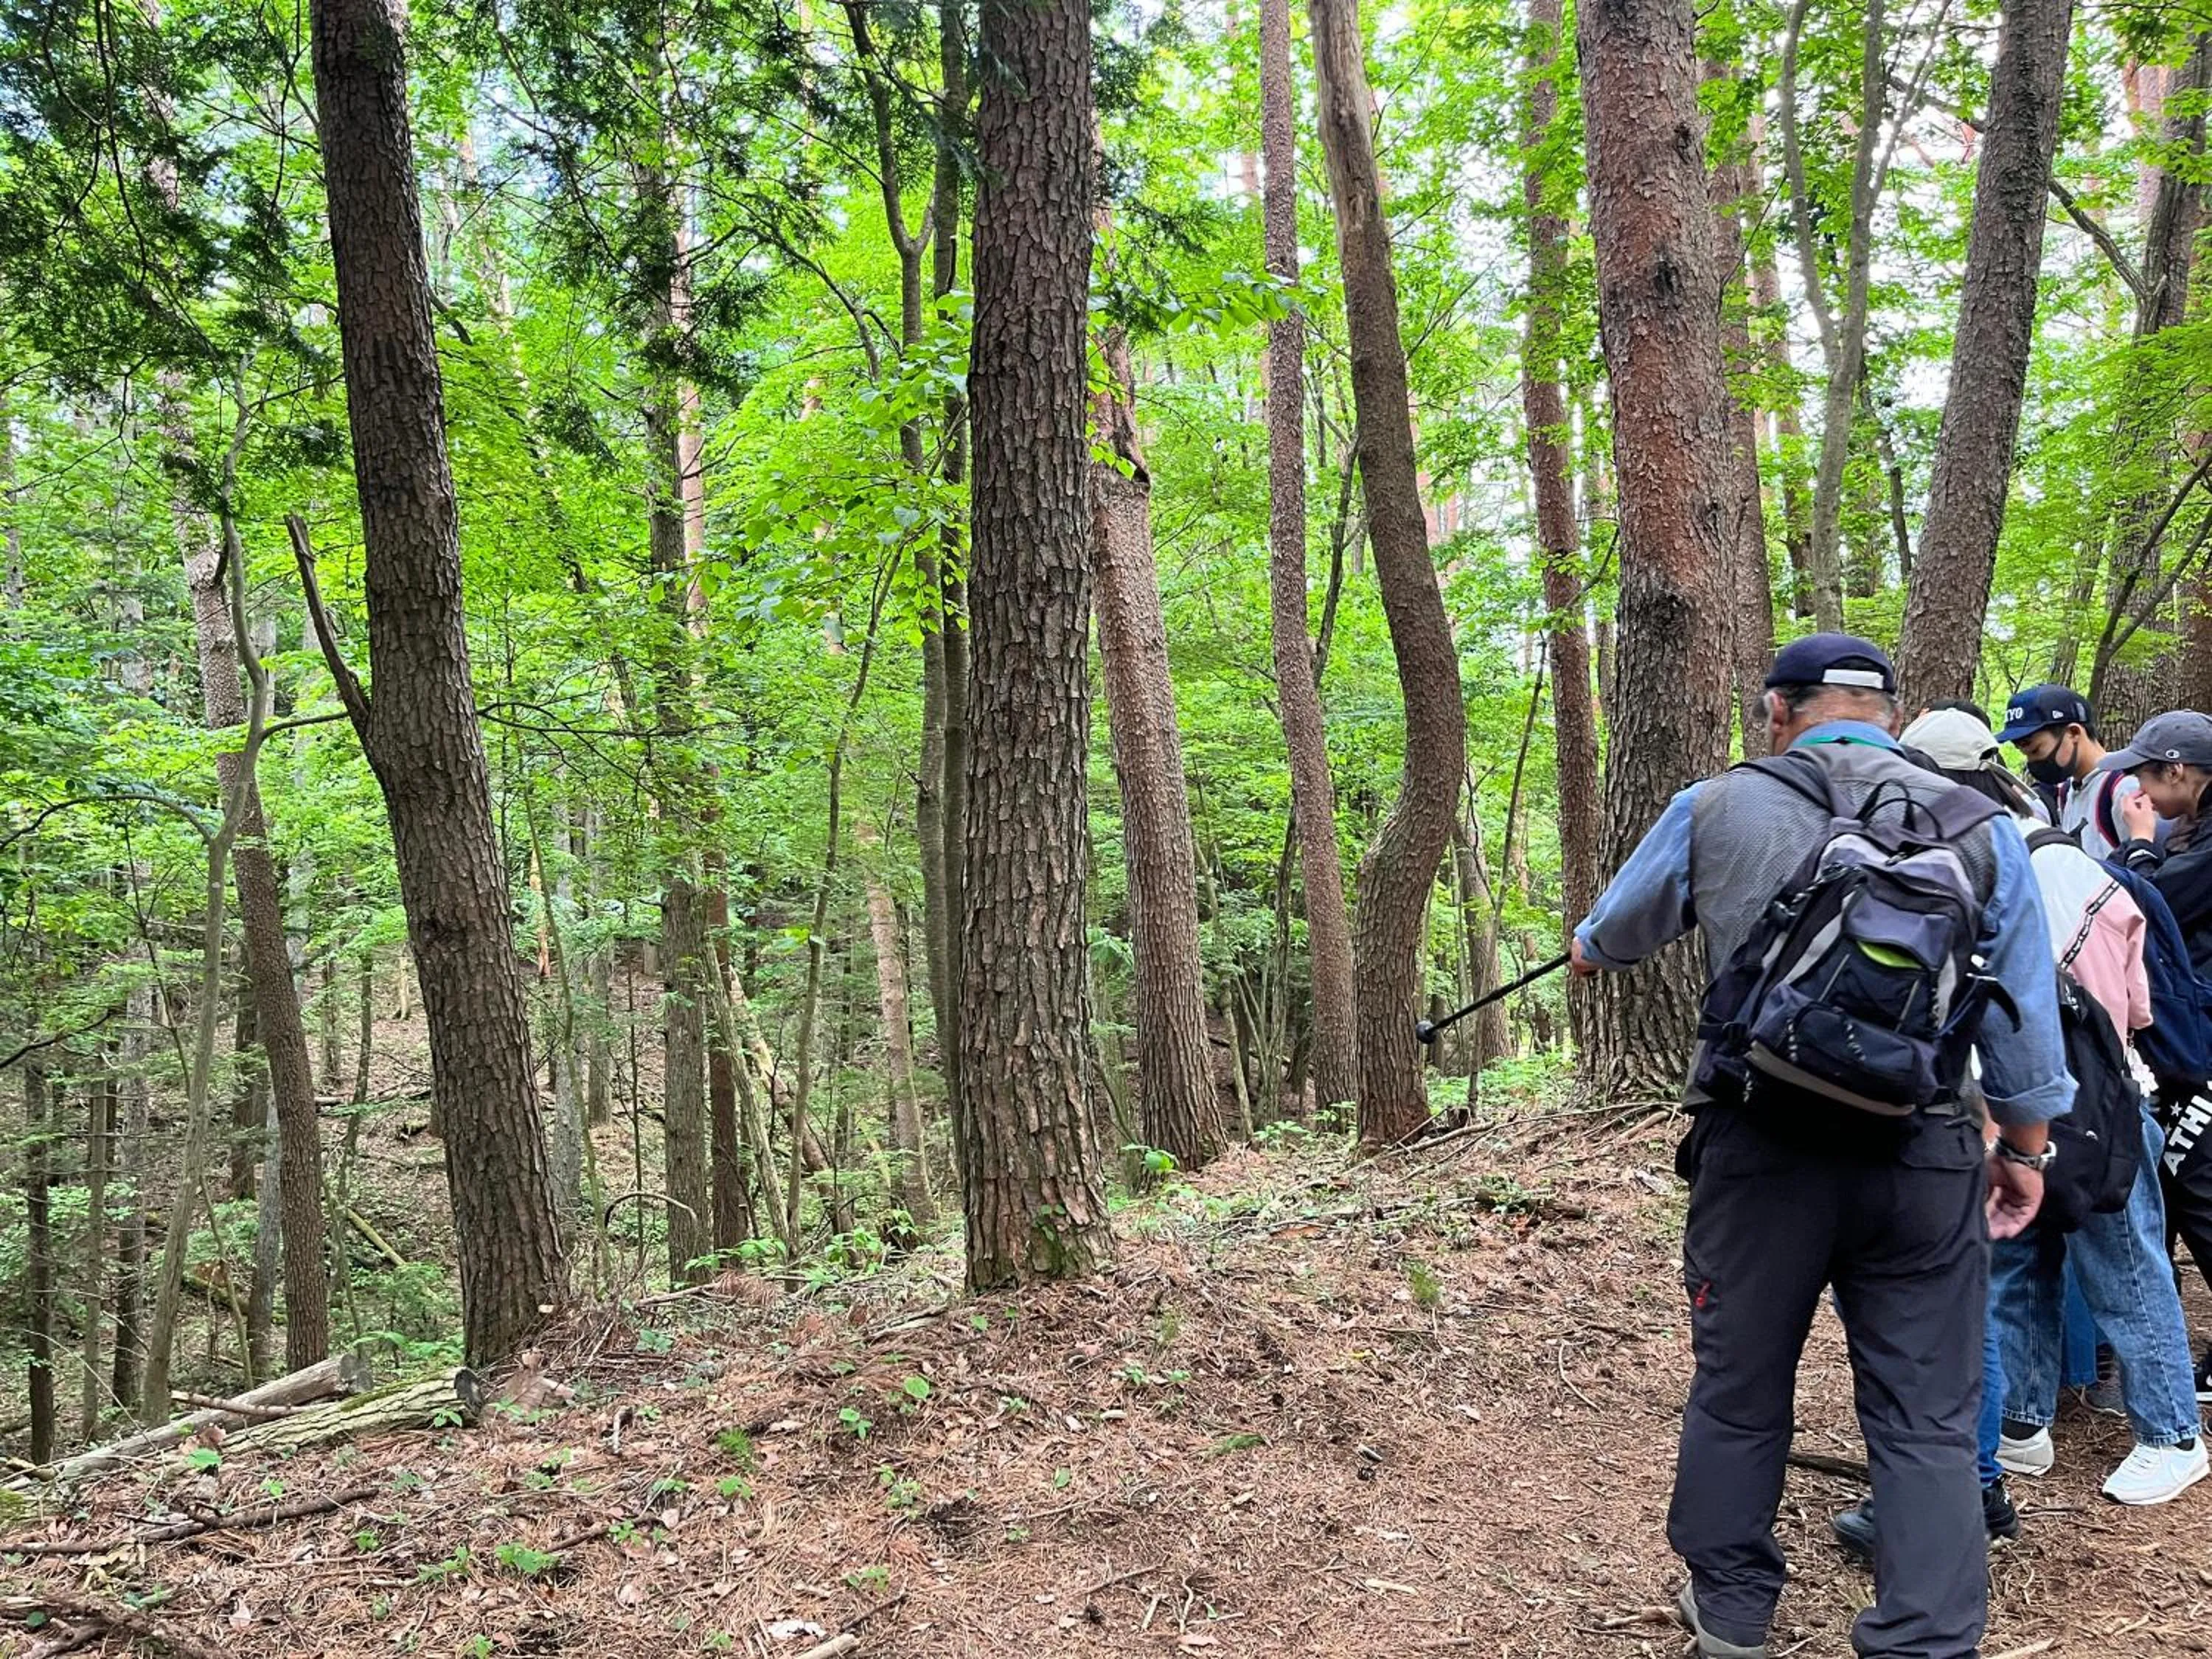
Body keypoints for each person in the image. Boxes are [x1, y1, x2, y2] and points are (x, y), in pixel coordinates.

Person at [1571, 635, 2072, 1659]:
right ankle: (1925, 1634)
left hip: (1760, 1147)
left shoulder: (1716, 805)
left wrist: (1588, 945)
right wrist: (2024, 1150)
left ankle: (1735, 1605)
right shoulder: (1987, 826)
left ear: (1778, 710)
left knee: (1741, 1381)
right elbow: (2025, 1023)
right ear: (1887, 714)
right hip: (1924, 1151)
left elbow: (1612, 937)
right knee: (1929, 1408)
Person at [2104, 710, 2212, 1397]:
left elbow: (2149, 902)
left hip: (2202, 1046)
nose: (2139, 791)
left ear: (2177, 771)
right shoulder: (2192, 830)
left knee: (2198, 1185)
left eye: (2146, 774)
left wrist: (2141, 847)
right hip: (2183, 1038)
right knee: (2174, 1188)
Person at [1997, 685, 2142, 858]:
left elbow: (2145, 867)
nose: (2032, 762)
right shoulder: (2068, 791)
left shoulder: (2124, 789)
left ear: (2074, 733)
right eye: (2026, 754)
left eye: (2036, 751)